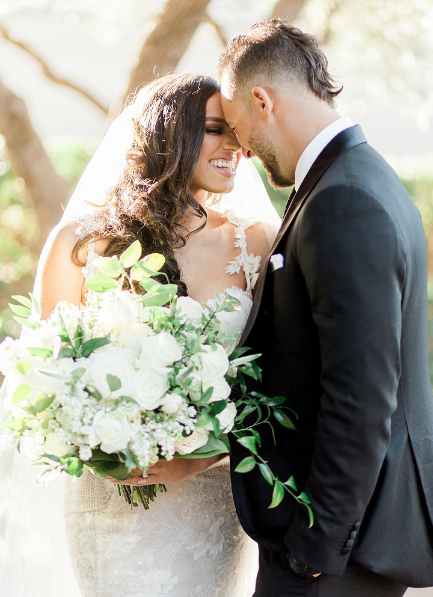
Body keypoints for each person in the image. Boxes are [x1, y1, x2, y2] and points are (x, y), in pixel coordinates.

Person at [32, 73, 280, 597]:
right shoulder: (80, 244)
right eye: (215, 130)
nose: (233, 147)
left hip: (209, 494)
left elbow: (273, 377)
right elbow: (49, 373)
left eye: (236, 134)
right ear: (170, 135)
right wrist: (107, 443)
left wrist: (200, 454)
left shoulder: (253, 241)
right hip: (111, 498)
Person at [219, 19, 433, 597]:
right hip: (349, 538)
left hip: (339, 548)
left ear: (262, 100)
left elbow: (361, 393)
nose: (240, 149)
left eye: (238, 128)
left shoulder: (343, 199)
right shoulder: (361, 177)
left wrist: (319, 545)